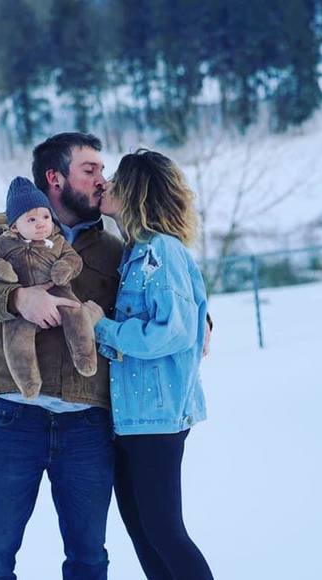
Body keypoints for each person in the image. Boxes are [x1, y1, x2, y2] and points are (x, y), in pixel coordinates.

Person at [0, 133, 123, 580]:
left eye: (102, 169)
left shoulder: (113, 249)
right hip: (14, 419)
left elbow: (158, 291)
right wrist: (16, 298)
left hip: (87, 424)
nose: (102, 179)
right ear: (55, 178)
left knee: (89, 559)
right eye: (90, 170)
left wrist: (201, 316)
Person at [83, 149, 215, 580]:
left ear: (135, 192)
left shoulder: (162, 252)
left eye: (116, 180)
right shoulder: (136, 252)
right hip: (132, 418)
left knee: (164, 532)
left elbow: (172, 332)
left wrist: (103, 329)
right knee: (144, 534)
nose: (106, 185)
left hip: (158, 416)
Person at [0, 176, 98, 399]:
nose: (41, 223)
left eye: (45, 216)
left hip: (59, 292)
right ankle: (28, 381)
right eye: (31, 220)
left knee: (77, 314)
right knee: (16, 339)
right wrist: (3, 270)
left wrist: (64, 267)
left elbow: (74, 260)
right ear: (15, 226)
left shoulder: (58, 241)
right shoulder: (3, 243)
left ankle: (84, 356)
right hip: (22, 303)